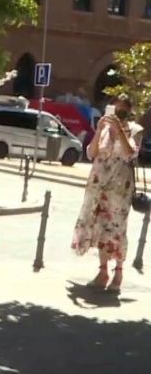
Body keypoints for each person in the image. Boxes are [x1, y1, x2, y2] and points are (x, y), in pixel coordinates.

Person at [72, 94, 143, 294]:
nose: (118, 115)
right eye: (115, 110)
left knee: (117, 229)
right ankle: (102, 272)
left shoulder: (135, 130)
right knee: (99, 228)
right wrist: (100, 130)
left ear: (129, 112)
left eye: (122, 111)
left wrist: (120, 131)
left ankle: (118, 273)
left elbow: (131, 152)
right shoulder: (104, 129)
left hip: (119, 189)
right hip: (98, 185)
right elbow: (91, 153)